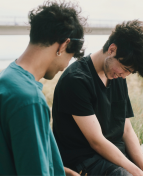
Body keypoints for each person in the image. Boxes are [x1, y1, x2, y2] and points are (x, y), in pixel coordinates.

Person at [52, 20, 143, 176]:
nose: (124, 75)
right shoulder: (77, 80)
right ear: (112, 49)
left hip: (118, 155)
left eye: (130, 72)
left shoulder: (117, 75)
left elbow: (126, 128)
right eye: (125, 69)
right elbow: (96, 141)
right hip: (87, 161)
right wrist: (135, 171)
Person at [0, 1, 86, 176]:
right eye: (70, 58)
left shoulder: (7, 78)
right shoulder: (29, 100)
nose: (64, 67)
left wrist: (59, 170)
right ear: (63, 46)